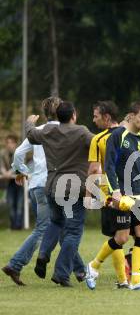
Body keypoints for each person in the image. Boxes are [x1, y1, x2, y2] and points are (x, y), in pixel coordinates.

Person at [25, 101, 93, 287]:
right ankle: (62, 274)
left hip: (52, 187)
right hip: (72, 189)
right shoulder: (81, 132)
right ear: (73, 115)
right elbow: (99, 143)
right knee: (72, 232)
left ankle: (43, 254)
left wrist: (29, 122)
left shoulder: (48, 131)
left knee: (56, 222)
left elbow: (31, 135)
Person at [2, 97, 61, 285]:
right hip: (54, 185)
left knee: (56, 226)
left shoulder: (37, 131)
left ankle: (77, 270)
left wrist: (23, 172)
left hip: (36, 186)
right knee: (53, 228)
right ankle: (15, 264)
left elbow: (19, 154)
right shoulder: (67, 131)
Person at [83, 101, 134, 290]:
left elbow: (94, 169)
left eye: (96, 116)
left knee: (120, 236)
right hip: (117, 194)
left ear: (106, 117)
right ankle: (101, 269)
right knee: (121, 237)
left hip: (113, 194)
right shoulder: (127, 135)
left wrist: (88, 194)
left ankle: (121, 280)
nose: (93, 120)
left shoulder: (99, 139)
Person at [0, 134, 24, 230]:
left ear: (15, 144)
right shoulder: (2, 153)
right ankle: (13, 226)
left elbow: (17, 165)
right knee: (10, 204)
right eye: (8, 143)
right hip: (9, 182)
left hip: (19, 181)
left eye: (12, 143)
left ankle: (18, 226)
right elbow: (1, 165)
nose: (10, 145)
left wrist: (9, 172)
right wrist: (4, 172)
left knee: (19, 204)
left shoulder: (20, 152)